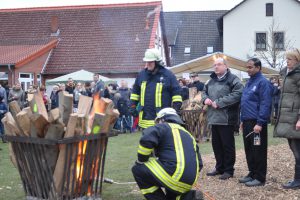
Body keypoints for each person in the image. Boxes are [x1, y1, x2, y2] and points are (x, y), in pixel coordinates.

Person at [132, 107, 203, 200]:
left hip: (173, 175)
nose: (157, 124)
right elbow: (200, 164)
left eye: (157, 122)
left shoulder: (164, 126)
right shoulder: (189, 136)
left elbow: (147, 139)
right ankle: (189, 197)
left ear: (162, 119)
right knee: (172, 188)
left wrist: (141, 160)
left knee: (138, 169)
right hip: (189, 182)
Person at [202, 57, 243, 180]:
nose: (216, 67)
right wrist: (205, 99)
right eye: (214, 65)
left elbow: (238, 94)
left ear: (226, 66)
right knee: (217, 145)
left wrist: (219, 102)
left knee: (227, 145)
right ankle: (219, 167)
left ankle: (229, 170)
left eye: (219, 64)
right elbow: (203, 92)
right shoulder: (210, 80)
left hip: (227, 118)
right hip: (214, 118)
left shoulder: (233, 79)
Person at [239, 58, 273, 187]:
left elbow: (265, 104)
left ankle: (260, 177)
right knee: (249, 149)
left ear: (258, 68)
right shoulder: (249, 82)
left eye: (250, 67)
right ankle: (252, 173)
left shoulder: (263, 83)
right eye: (247, 67)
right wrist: (242, 120)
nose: (248, 70)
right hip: (247, 122)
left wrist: (260, 123)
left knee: (258, 149)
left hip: (257, 123)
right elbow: (245, 102)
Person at [129, 48, 182, 129]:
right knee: (146, 141)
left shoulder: (168, 75)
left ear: (157, 62)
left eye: (150, 62)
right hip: (145, 119)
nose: (147, 64)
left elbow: (176, 94)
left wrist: (176, 109)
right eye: (147, 62)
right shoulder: (141, 75)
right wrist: (132, 106)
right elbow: (135, 93)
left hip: (162, 119)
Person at [274, 48, 300, 189]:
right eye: (287, 59)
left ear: (297, 60)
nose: (287, 61)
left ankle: (298, 180)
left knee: (298, 151)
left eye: (290, 59)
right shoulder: (287, 74)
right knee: (295, 149)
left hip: (295, 119)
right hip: (288, 119)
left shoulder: (298, 75)